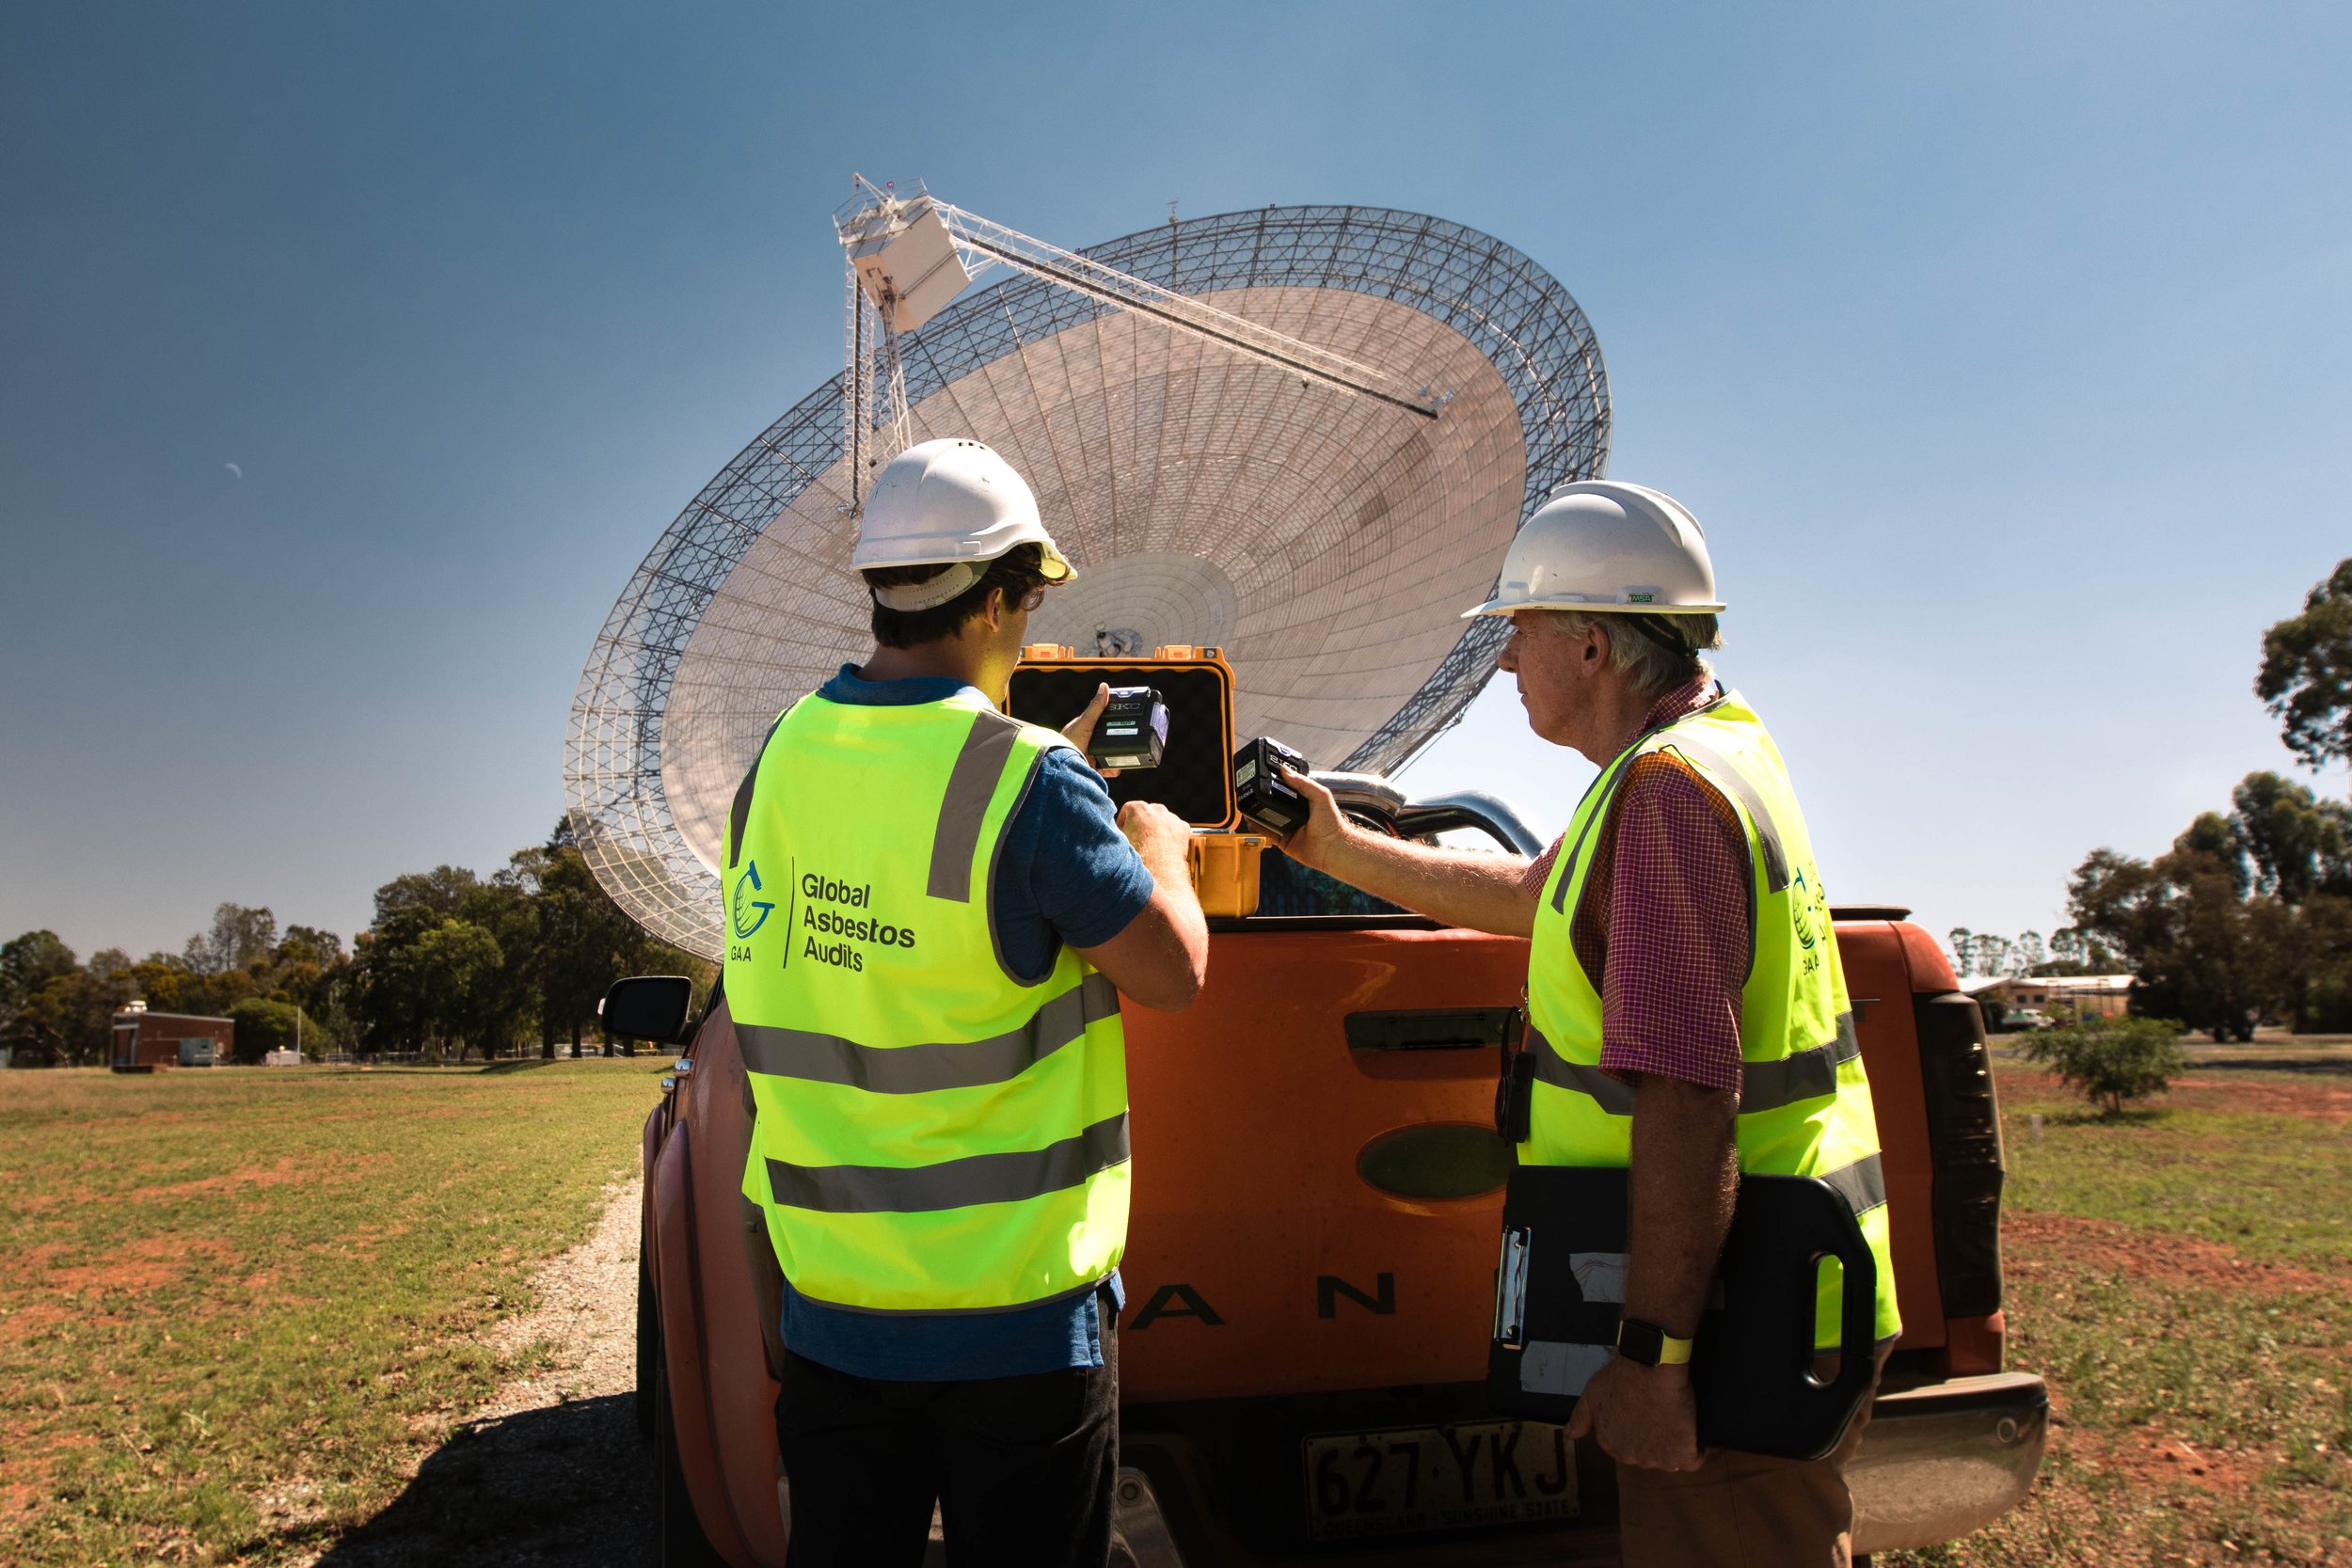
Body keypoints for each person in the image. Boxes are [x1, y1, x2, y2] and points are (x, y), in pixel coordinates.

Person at [1277, 480, 1900, 1568]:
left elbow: (1688, 1096)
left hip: (1729, 1311)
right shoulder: (1710, 752)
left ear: (1592, 647)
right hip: (1784, 1271)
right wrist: (1333, 847)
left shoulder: (1662, 797)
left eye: (1518, 631)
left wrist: (1656, 1359)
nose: (1506, 661)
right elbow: (1530, 895)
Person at [724, 436, 1209, 1568]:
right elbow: (1171, 971)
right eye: (1030, 601)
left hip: (834, 1315)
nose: (1030, 624)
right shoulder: (1029, 782)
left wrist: (1061, 776)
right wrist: (1158, 844)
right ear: (993, 598)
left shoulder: (777, 764)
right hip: (1019, 1330)